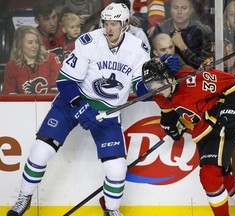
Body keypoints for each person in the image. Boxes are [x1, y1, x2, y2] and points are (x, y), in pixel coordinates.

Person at [6, 3, 150, 216]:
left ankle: (111, 210)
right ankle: (23, 198)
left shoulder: (138, 49)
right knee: (40, 151)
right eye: (106, 23)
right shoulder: (89, 42)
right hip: (72, 102)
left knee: (117, 169)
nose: (109, 29)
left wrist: (157, 79)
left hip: (107, 112)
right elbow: (64, 82)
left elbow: (140, 88)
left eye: (115, 24)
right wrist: (80, 108)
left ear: (126, 24)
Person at [140, 57, 235, 216]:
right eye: (150, 86)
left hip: (221, 124)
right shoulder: (161, 96)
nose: (155, 90)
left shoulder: (194, 81)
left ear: (167, 77)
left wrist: (230, 111)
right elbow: (168, 111)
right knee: (223, 180)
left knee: (209, 175)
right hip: (203, 134)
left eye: (156, 84)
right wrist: (168, 125)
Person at [152, 0, 214, 69]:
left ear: (191, 10)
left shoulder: (202, 31)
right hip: (167, 75)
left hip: (196, 76)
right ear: (170, 9)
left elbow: (207, 64)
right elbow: (153, 61)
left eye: (184, 8)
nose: (179, 12)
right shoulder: (160, 30)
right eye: (175, 8)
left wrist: (183, 47)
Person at [4, 25, 61, 94]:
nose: (35, 46)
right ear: (20, 44)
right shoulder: (11, 66)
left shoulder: (51, 59)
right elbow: (10, 94)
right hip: (23, 104)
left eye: (37, 42)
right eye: (30, 42)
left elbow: (58, 89)